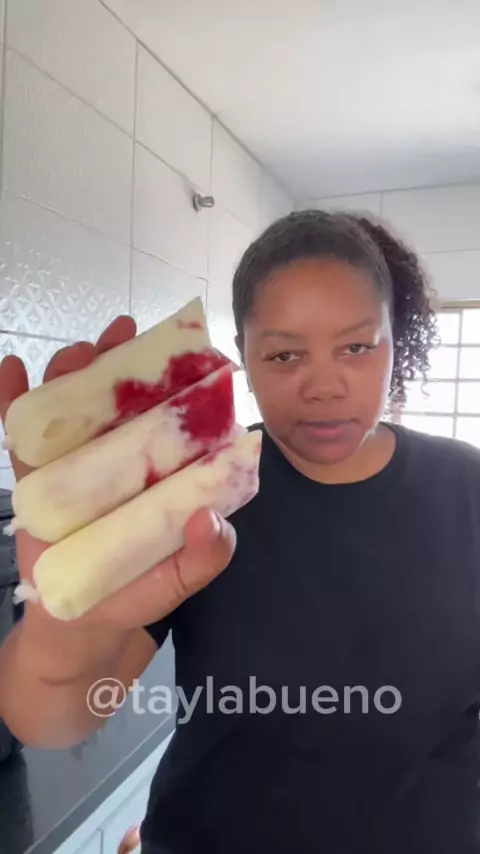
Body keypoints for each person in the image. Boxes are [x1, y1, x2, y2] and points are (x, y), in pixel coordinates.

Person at [1, 209, 480, 854]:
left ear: (396, 339)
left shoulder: (468, 489)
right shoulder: (195, 488)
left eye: (357, 347)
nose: (324, 386)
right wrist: (63, 630)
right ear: (244, 359)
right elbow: (50, 721)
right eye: (284, 355)